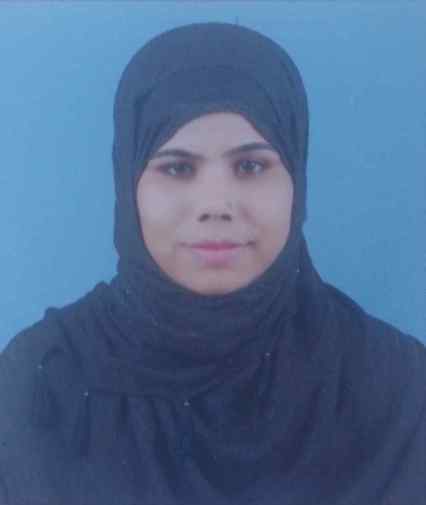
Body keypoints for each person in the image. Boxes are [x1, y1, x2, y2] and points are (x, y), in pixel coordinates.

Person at [0, 21, 425, 505]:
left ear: (297, 181)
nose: (216, 205)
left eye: (251, 166)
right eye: (177, 168)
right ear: (128, 186)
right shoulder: (41, 385)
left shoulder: (397, 391)